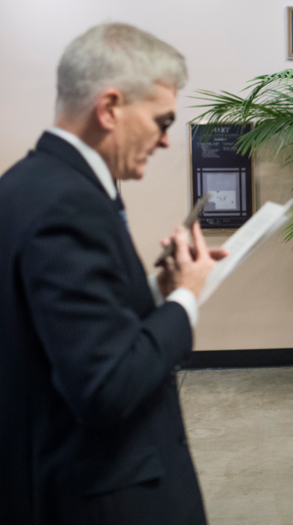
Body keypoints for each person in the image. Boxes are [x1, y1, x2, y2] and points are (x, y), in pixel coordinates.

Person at [0, 23, 227, 525]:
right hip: (102, 495)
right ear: (109, 109)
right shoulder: (69, 205)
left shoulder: (23, 186)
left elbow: (64, 333)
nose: (166, 141)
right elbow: (106, 386)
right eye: (161, 121)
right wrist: (184, 300)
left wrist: (156, 289)